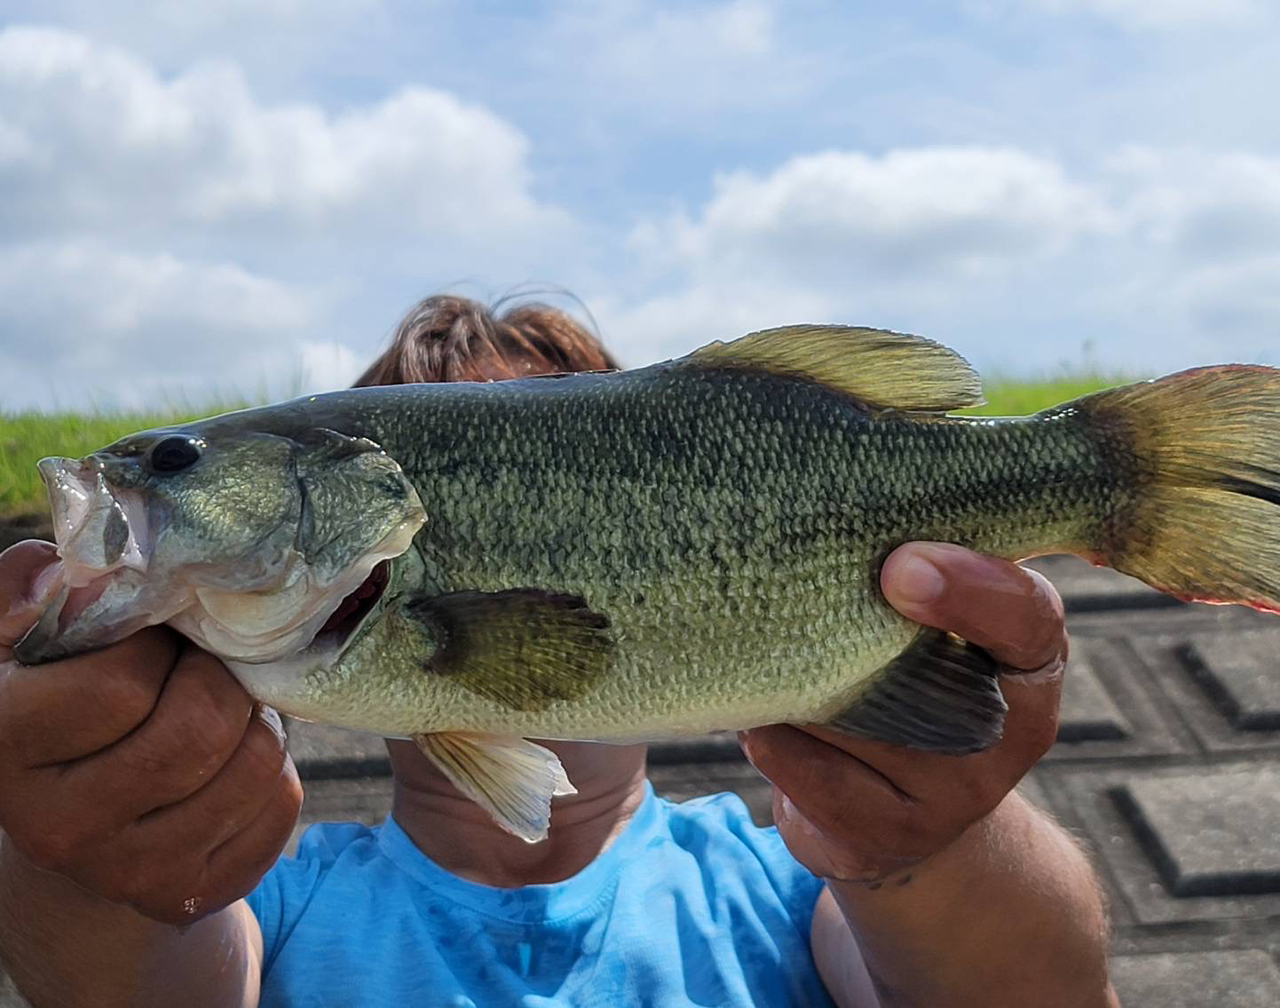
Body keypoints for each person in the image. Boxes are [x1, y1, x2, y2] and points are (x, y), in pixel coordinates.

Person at [0, 296, 1117, 1007]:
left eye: (179, 462)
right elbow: (144, 979)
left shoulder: (791, 882)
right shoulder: (266, 907)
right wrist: (78, 867)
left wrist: (925, 842)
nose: (152, 482)